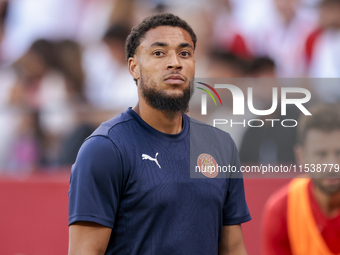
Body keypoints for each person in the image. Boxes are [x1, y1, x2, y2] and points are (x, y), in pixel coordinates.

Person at [68, 13, 251, 255]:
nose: (175, 62)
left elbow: (234, 248)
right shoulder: (105, 149)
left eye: (184, 53)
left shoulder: (221, 145)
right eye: (159, 53)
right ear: (134, 67)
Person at [262, 103, 340, 255]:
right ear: (301, 156)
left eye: (339, 153)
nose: (332, 165)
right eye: (321, 154)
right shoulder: (282, 209)